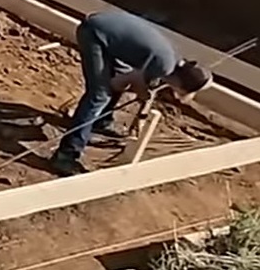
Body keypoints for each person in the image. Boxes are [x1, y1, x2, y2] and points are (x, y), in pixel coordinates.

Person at [51, 10, 211, 176]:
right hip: (95, 33)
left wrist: (142, 93)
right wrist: (142, 93)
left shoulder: (173, 61)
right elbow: (128, 81)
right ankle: (66, 155)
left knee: (116, 80)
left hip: (107, 30)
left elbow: (131, 79)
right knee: (99, 95)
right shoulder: (164, 66)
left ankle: (101, 121)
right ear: (179, 83)